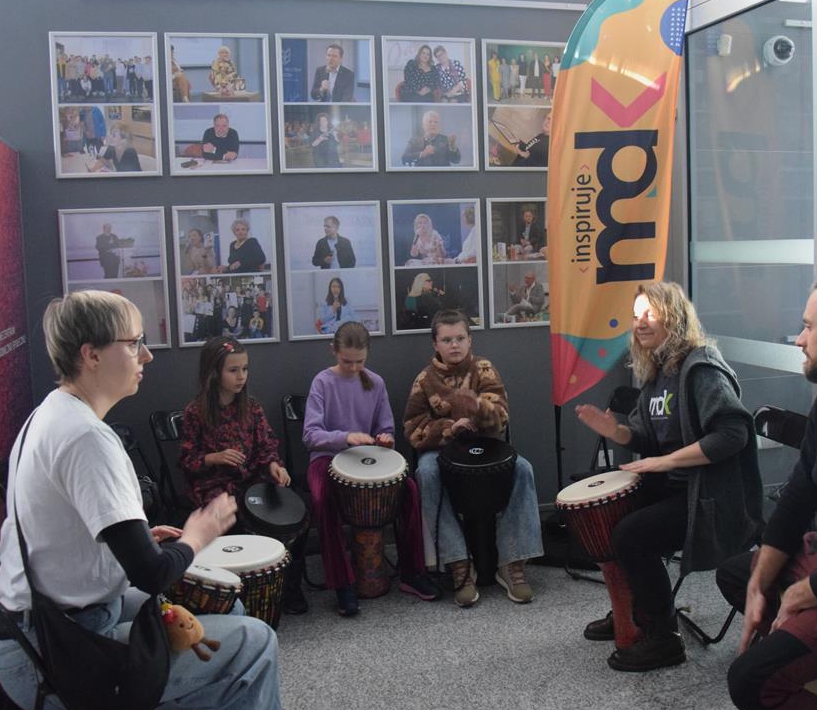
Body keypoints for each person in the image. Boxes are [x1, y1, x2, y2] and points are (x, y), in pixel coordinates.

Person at [0, 291, 284, 710]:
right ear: (91, 355)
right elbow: (151, 575)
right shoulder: (87, 438)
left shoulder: (51, 413)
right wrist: (198, 534)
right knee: (254, 643)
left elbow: (66, 531)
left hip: (43, 631)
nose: (146, 355)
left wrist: (139, 535)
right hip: (58, 658)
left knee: (227, 607)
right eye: (134, 343)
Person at [575, 281, 763, 672]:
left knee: (632, 534)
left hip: (711, 497)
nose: (640, 323)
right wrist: (616, 432)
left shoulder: (701, 367)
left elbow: (733, 435)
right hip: (677, 488)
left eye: (650, 314)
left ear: (673, 316)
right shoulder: (657, 372)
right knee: (613, 514)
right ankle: (634, 611)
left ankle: (664, 639)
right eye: (635, 316)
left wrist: (666, 462)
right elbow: (646, 437)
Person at [717, 271, 817, 710]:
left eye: (808, 326)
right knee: (739, 577)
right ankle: (801, 660)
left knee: (749, 682)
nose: (799, 339)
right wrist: (761, 585)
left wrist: (803, 594)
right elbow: (799, 495)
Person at [404, 309, 544, 607]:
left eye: (460, 338)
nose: (454, 345)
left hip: (486, 445)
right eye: (447, 340)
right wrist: (448, 428)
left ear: (470, 340)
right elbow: (413, 428)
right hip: (443, 449)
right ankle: (459, 564)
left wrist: (480, 410)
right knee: (426, 473)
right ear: (435, 344)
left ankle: (512, 563)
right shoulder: (424, 379)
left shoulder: (484, 369)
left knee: (523, 468)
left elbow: (501, 417)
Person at [302, 321, 440, 616]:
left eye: (360, 362)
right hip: (327, 458)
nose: (354, 368)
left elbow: (385, 428)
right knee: (322, 499)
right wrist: (345, 437)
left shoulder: (375, 383)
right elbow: (310, 435)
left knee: (410, 490)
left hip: (367, 457)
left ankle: (412, 571)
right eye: (347, 361)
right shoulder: (322, 383)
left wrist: (385, 439)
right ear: (333, 351)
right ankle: (343, 583)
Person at [179, 335, 306, 613]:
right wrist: (215, 457)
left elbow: (266, 447)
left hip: (252, 482)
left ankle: (287, 590)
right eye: (233, 370)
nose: (241, 376)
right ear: (214, 372)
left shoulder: (252, 407)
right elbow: (187, 461)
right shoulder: (195, 412)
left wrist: (274, 466)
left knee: (293, 519)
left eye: (245, 369)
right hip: (215, 485)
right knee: (231, 519)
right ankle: (233, 596)